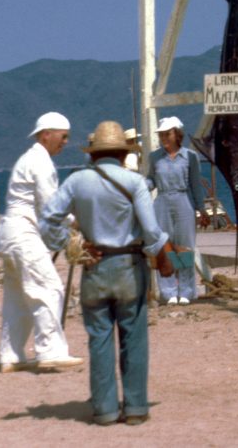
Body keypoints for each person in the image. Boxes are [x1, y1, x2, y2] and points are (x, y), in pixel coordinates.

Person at [40, 121, 174, 426]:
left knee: (99, 339)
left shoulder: (76, 181)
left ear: (93, 154)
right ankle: (136, 408)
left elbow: (47, 220)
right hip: (129, 267)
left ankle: (105, 410)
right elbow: (151, 231)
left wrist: (72, 245)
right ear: (124, 154)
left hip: (94, 266)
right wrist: (164, 261)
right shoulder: (135, 182)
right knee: (133, 338)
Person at [0, 111, 83, 372]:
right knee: (49, 288)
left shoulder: (29, 158)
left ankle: (11, 356)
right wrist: (75, 222)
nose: (65, 142)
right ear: (46, 135)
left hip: (8, 234)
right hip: (23, 235)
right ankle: (50, 351)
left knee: (17, 298)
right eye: (63, 137)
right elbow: (50, 205)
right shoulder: (40, 162)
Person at [147, 116, 209, 305]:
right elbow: (151, 180)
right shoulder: (154, 157)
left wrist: (201, 209)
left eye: (167, 134)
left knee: (185, 247)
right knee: (164, 246)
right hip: (162, 201)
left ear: (177, 134)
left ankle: (186, 291)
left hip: (184, 201)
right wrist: (140, 187)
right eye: (161, 135)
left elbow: (195, 184)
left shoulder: (190, 156)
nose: (164, 138)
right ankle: (168, 292)